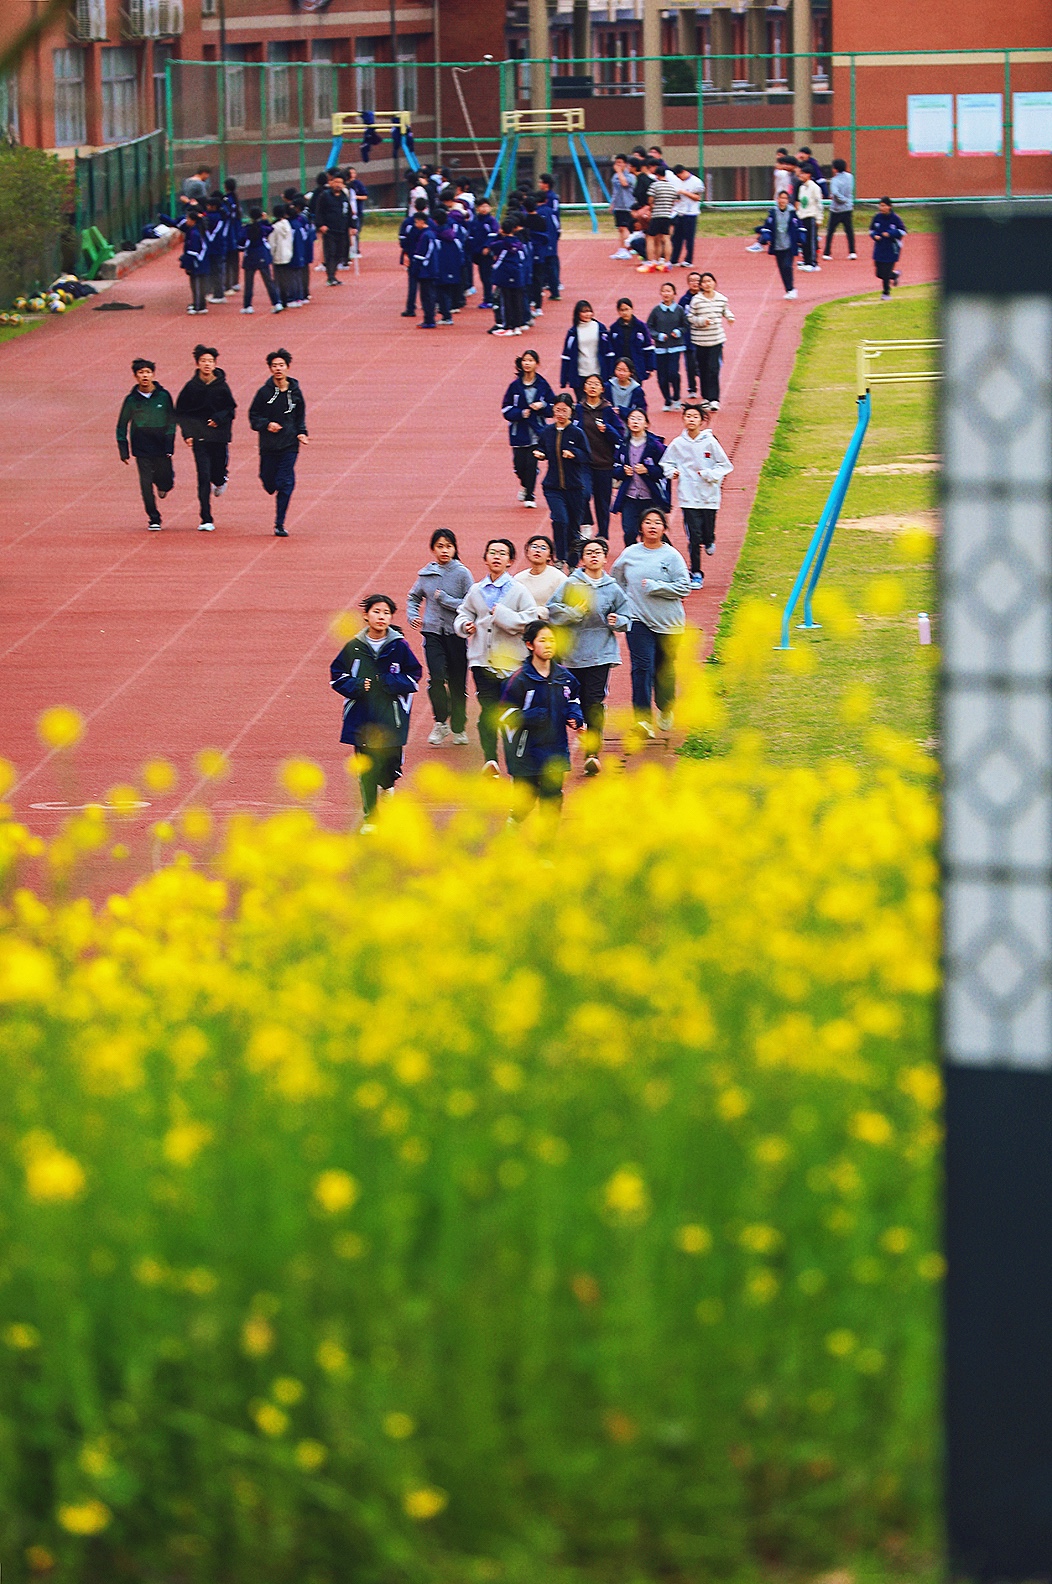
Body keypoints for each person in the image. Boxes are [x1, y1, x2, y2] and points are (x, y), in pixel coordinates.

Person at [330, 594, 422, 828]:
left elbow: (414, 676)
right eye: (376, 612)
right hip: (361, 719)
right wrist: (359, 685)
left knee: (389, 767)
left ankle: (389, 785)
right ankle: (370, 817)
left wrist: (387, 682)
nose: (381, 617)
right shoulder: (354, 647)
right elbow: (337, 677)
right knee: (366, 770)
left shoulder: (399, 647)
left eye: (386, 613)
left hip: (392, 718)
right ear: (366, 615)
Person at [454, 539, 540, 776]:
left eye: (502, 553)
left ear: (510, 561)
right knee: (488, 712)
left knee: (512, 713)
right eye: (492, 552)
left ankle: (516, 758)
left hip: (512, 664)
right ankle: (490, 759)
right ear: (485, 559)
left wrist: (501, 615)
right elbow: (463, 613)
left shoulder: (519, 590)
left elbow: (531, 619)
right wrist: (465, 625)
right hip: (482, 661)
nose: (496, 557)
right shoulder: (476, 590)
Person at [548, 536, 631, 774]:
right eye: (589, 553)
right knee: (572, 703)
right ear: (582, 559)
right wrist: (573, 613)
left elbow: (627, 616)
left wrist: (618, 620)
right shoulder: (571, 584)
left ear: (605, 558)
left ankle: (592, 754)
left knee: (593, 702)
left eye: (598, 552)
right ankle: (565, 747)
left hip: (601, 653)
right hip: (573, 653)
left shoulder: (612, 587)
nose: (594, 556)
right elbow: (552, 609)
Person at [611, 506, 690, 736]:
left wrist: (658, 587)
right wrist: (624, 604)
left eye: (657, 522)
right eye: (648, 522)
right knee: (641, 667)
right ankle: (642, 719)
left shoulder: (671, 556)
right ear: (640, 527)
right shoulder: (630, 554)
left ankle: (665, 707)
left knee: (664, 668)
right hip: (638, 620)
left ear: (664, 528)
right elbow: (616, 581)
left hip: (669, 622)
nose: (652, 526)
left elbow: (684, 587)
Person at [498, 620, 584, 818]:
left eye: (552, 640)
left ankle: (547, 838)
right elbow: (503, 716)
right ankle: (512, 830)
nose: (548, 645)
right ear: (530, 645)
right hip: (525, 753)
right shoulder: (518, 680)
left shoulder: (565, 677)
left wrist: (575, 715)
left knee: (552, 800)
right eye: (542, 640)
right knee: (525, 803)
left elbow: (573, 699)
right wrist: (529, 716)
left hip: (555, 750)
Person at [407, 528, 473, 746]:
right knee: (436, 677)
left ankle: (459, 727)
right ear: (433, 549)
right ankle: (440, 722)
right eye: (440, 546)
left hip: (456, 633)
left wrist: (445, 599)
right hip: (432, 632)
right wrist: (413, 615)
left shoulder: (462, 573)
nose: (444, 550)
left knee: (457, 682)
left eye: (449, 546)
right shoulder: (426, 574)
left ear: (455, 548)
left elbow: (470, 603)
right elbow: (413, 597)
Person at [661, 400, 733, 587]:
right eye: (688, 416)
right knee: (693, 537)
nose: (691, 419)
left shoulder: (710, 442)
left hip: (709, 496)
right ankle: (696, 573)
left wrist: (709, 475)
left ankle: (709, 540)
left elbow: (725, 465)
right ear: (683, 419)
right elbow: (666, 463)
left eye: (695, 416)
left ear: (702, 421)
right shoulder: (678, 443)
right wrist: (672, 472)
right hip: (688, 496)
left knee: (706, 532)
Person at [175, 344, 237, 534]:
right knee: (203, 476)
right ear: (197, 364)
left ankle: (221, 479)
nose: (207, 364)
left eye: (210, 361)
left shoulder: (222, 386)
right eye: (203, 361)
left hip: (218, 437)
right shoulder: (191, 387)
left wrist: (219, 418)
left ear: (215, 364)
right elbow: (180, 412)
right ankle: (206, 518)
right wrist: (187, 434)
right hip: (199, 437)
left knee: (216, 473)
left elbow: (231, 409)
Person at [248, 349, 308, 537]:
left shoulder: (295, 392)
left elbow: (300, 416)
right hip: (269, 445)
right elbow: (253, 416)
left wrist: (302, 433)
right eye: (274, 366)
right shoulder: (264, 393)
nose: (278, 369)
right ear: (270, 368)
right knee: (268, 481)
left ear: (288, 367)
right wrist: (267, 425)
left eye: (281, 365)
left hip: (290, 444)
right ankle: (274, 482)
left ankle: (279, 523)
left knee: (285, 482)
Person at [116, 358, 176, 532]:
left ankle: (163, 486)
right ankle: (154, 517)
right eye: (141, 373)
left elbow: (172, 420)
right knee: (145, 483)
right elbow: (122, 425)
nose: (145, 376)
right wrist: (123, 450)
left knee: (165, 480)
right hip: (141, 447)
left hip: (161, 445)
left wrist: (169, 443)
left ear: (153, 375)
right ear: (135, 376)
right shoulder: (131, 400)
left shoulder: (163, 396)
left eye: (148, 372)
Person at [532, 394, 589, 569]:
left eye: (564, 410)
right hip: (552, 486)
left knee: (573, 527)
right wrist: (540, 453)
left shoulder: (577, 433)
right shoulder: (547, 431)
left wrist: (574, 454)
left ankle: (572, 563)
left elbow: (587, 455)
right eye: (557, 410)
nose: (561, 414)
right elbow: (541, 446)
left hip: (574, 487)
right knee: (560, 520)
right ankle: (559, 558)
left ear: (571, 411)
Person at [501, 349, 555, 507]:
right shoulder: (515, 386)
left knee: (531, 464)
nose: (527, 363)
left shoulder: (543, 384)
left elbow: (553, 407)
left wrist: (542, 405)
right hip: (519, 432)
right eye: (525, 360)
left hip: (537, 432)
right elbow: (505, 408)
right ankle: (525, 485)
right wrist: (520, 413)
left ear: (537, 364)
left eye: (531, 360)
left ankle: (530, 496)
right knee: (519, 466)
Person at [574, 373, 625, 539]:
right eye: (589, 383)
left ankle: (603, 533)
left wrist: (607, 429)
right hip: (584, 462)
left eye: (596, 384)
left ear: (602, 389)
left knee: (602, 502)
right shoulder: (579, 409)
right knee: (583, 493)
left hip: (604, 462)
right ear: (584, 387)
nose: (592, 387)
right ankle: (586, 523)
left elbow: (620, 435)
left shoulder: (607, 410)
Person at [613, 408, 668, 546]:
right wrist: (622, 471)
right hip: (630, 497)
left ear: (646, 424)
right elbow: (614, 467)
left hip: (650, 496)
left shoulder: (655, 446)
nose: (635, 422)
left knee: (653, 533)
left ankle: (665, 553)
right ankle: (632, 557)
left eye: (639, 419)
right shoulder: (623, 444)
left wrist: (648, 470)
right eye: (632, 419)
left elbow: (664, 470)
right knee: (629, 532)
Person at [687, 271, 734, 410]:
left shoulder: (721, 299)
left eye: (709, 281)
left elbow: (725, 310)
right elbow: (690, 317)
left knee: (713, 368)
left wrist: (730, 317)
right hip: (700, 340)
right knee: (703, 369)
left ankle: (714, 399)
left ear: (714, 283)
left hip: (716, 339)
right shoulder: (696, 300)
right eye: (704, 282)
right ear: (701, 285)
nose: (707, 284)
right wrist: (702, 321)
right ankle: (706, 397)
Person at [647, 280, 689, 411]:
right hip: (660, 349)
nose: (666, 294)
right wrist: (658, 336)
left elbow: (685, 325)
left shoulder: (679, 310)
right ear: (660, 293)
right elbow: (649, 327)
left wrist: (678, 332)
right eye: (664, 291)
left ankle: (676, 397)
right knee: (662, 377)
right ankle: (667, 399)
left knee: (673, 373)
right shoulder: (656, 310)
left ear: (674, 293)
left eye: (669, 291)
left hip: (675, 347)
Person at [560, 301, 613, 395]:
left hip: (598, 372)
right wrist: (564, 379)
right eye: (584, 312)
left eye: (589, 311)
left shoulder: (600, 328)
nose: (587, 314)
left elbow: (609, 352)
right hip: (580, 373)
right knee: (582, 401)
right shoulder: (573, 332)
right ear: (577, 313)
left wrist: (610, 373)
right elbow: (566, 356)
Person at [757, 189, 802, 299]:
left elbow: (799, 227)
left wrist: (801, 239)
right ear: (777, 199)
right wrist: (767, 238)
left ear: (788, 200)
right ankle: (788, 289)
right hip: (777, 245)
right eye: (781, 198)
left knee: (787, 266)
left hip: (789, 245)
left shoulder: (792, 213)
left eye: (785, 198)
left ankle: (791, 288)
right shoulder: (773, 213)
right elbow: (767, 227)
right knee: (782, 268)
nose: (783, 200)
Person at [240, 208, 283, 314]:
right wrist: (265, 220)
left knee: (249, 282)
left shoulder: (246, 228)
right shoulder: (263, 228)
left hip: (250, 256)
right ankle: (276, 302)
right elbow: (271, 228)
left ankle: (248, 306)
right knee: (268, 281)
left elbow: (240, 240)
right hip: (262, 255)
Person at [316, 172, 355, 286]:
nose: (338, 185)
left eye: (340, 183)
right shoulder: (325, 196)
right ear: (331, 182)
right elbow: (319, 211)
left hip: (342, 229)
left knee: (340, 253)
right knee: (330, 253)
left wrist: (352, 226)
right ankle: (331, 276)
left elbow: (348, 212)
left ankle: (333, 274)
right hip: (329, 230)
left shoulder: (344, 197)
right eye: (336, 182)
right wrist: (321, 225)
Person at [514, 533, 566, 617]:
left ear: (549, 556)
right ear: (527, 552)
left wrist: (540, 612)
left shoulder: (559, 578)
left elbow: (565, 605)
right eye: (534, 547)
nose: (538, 550)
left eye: (543, 548)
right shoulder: (518, 579)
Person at [492, 222, 529, 335]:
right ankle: (517, 326)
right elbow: (523, 258)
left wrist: (494, 267)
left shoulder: (501, 245)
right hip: (517, 274)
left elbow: (492, 246)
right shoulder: (519, 244)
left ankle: (508, 326)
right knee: (517, 300)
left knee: (506, 301)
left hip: (505, 274)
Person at [640, 162, 677, 271]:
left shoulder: (654, 185)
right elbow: (674, 201)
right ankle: (667, 262)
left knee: (650, 238)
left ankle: (651, 261)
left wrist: (652, 207)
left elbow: (650, 200)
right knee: (666, 238)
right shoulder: (672, 187)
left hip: (656, 215)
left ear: (657, 175)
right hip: (667, 215)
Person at [407, 210, 441, 328]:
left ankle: (429, 319)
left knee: (427, 295)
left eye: (416, 222)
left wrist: (416, 269)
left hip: (426, 270)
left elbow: (422, 255)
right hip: (430, 269)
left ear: (421, 222)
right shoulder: (430, 234)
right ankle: (429, 318)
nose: (415, 225)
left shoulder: (426, 235)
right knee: (427, 294)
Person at [609, 298, 655, 383]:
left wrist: (650, 367)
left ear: (632, 309)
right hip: (620, 367)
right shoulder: (614, 328)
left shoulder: (641, 326)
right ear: (618, 311)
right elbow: (611, 349)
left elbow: (648, 347)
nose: (624, 312)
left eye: (627, 309)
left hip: (637, 365)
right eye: (622, 310)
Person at [870, 197, 907, 301]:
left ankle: (886, 293)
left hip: (891, 250)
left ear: (889, 207)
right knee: (879, 273)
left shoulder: (895, 219)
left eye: (884, 206)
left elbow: (903, 231)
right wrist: (874, 236)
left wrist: (890, 233)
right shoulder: (877, 217)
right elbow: (871, 230)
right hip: (879, 249)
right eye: (880, 205)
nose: (881, 208)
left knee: (886, 273)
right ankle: (894, 275)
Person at [669, 164, 703, 267]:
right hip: (679, 211)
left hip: (690, 213)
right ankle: (674, 259)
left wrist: (684, 193)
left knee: (689, 238)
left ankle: (688, 260)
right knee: (676, 237)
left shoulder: (696, 182)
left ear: (684, 172)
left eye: (680, 176)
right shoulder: (677, 181)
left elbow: (697, 198)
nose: (680, 178)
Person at [434, 207, 464, 326]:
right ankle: (450, 310)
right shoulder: (454, 236)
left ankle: (446, 315)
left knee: (440, 291)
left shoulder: (435, 237)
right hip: (453, 267)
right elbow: (460, 251)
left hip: (440, 267)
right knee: (448, 290)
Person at [468, 195, 499, 308]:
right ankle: (488, 297)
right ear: (477, 208)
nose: (484, 209)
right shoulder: (475, 221)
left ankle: (489, 299)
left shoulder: (491, 221)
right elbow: (471, 236)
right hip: (477, 253)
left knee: (487, 276)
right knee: (483, 276)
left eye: (486, 206)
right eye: (482, 206)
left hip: (487, 253)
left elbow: (494, 235)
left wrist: (487, 247)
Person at [178, 207, 209, 315]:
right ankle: (198, 303)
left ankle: (199, 306)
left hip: (197, 262)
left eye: (188, 219)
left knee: (197, 283)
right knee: (197, 283)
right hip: (198, 261)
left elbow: (194, 250)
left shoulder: (194, 233)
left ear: (193, 220)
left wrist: (189, 262)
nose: (186, 221)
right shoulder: (193, 231)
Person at [824, 158, 857, 259]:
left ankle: (827, 252)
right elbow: (850, 189)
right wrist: (847, 201)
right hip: (848, 208)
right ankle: (852, 251)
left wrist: (843, 200)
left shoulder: (834, 180)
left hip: (836, 209)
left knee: (830, 231)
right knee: (849, 231)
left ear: (835, 169)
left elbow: (835, 193)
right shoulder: (850, 177)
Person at [537, 173, 561, 300]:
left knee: (550, 260)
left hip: (549, 233)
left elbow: (556, 214)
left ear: (546, 184)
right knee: (548, 260)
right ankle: (549, 283)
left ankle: (554, 284)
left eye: (541, 182)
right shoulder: (543, 197)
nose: (539, 184)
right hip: (548, 233)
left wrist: (557, 231)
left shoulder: (552, 197)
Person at [679, 269, 703, 396]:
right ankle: (692, 388)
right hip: (689, 337)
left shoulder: (705, 298)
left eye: (697, 281)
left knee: (703, 364)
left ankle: (705, 388)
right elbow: (680, 318)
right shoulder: (684, 300)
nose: (695, 283)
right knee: (690, 365)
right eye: (692, 281)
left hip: (704, 336)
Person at [795, 165, 824, 271]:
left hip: (811, 216)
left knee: (811, 240)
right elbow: (801, 203)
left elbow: (819, 203)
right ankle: (806, 260)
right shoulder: (802, 187)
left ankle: (813, 263)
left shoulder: (815, 187)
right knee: (804, 240)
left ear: (808, 175)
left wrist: (819, 218)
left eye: (803, 173)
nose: (800, 175)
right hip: (802, 217)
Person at [609, 154, 635, 258]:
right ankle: (622, 249)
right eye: (616, 163)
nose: (618, 165)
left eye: (620, 162)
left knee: (625, 228)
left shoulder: (630, 176)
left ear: (625, 164)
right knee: (620, 228)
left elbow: (624, 183)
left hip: (627, 205)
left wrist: (619, 172)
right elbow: (615, 191)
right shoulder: (615, 176)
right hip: (618, 205)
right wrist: (612, 203)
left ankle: (627, 249)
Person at [221, 177, 242, 295]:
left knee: (227, 260)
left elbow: (226, 217)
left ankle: (227, 284)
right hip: (236, 233)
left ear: (225, 187)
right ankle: (235, 282)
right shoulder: (236, 200)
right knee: (234, 259)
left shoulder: (226, 200)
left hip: (228, 234)